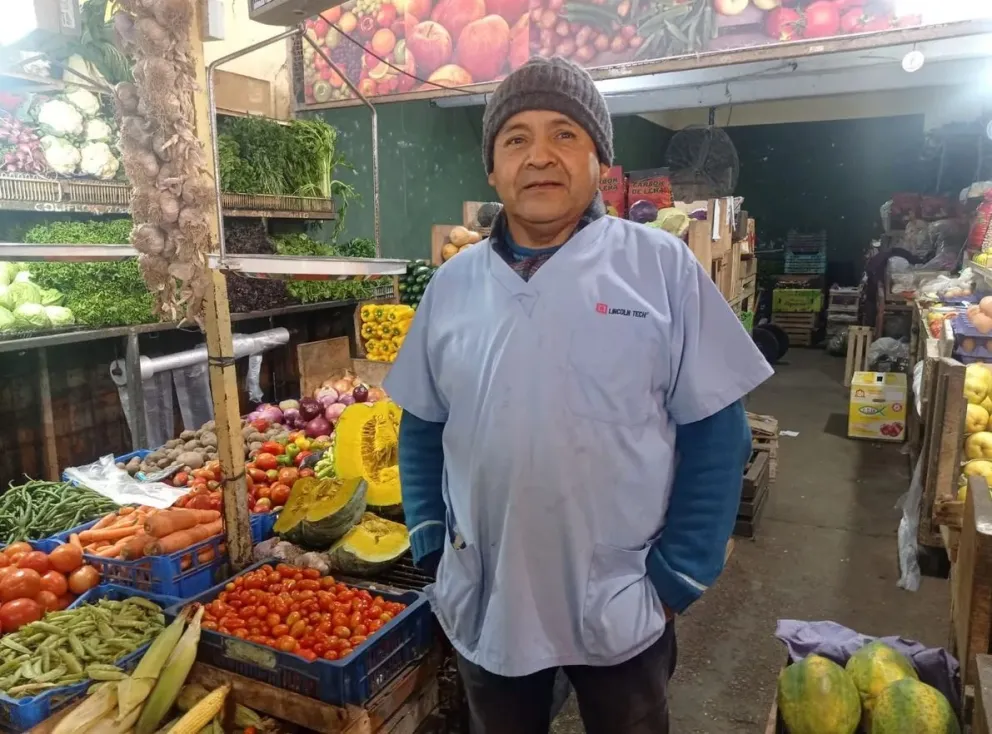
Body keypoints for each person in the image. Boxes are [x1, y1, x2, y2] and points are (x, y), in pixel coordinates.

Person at [383, 56, 773, 734]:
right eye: (516, 139)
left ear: (600, 160)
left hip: (622, 591)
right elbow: (422, 423)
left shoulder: (659, 267)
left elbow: (717, 431)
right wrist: (429, 543)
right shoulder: (453, 286)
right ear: (492, 169)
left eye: (564, 134)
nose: (539, 157)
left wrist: (677, 576)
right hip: (488, 588)